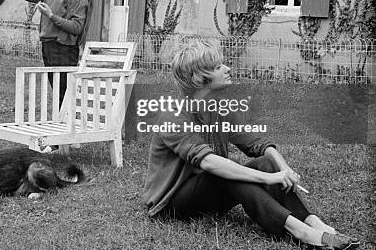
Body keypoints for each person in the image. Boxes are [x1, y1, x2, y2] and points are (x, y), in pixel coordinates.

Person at [142, 40, 360, 250]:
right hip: (172, 202)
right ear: (199, 77)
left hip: (208, 193)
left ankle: (311, 222)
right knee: (226, 172)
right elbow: (207, 162)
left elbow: (255, 143)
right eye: (218, 67)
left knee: (265, 162)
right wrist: (269, 178)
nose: (227, 68)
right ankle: (298, 231)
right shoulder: (173, 114)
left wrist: (283, 168)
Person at [21, 0, 93, 103]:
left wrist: (51, 15)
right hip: (48, 44)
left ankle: (68, 124)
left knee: (64, 94)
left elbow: (76, 27)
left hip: (63, 48)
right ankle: (63, 123)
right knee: (58, 91)